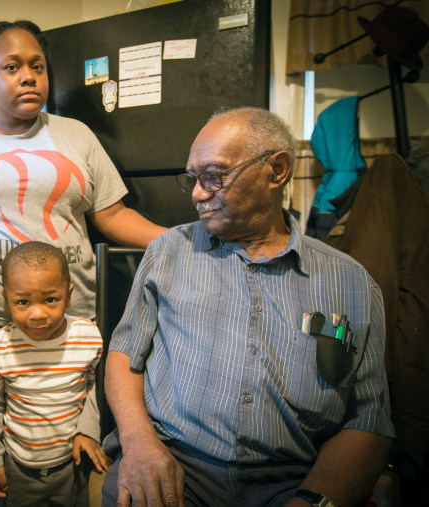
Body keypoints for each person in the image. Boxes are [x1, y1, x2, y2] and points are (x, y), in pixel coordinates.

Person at [102, 107, 395, 507]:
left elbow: (369, 419)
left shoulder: (352, 283)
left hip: (294, 477)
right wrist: (137, 444)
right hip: (174, 460)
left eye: (214, 176)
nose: (197, 193)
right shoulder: (168, 252)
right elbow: (124, 355)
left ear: (277, 170)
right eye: (192, 178)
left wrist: (315, 499)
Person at [0, 19, 166, 359]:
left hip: (73, 321)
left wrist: (176, 240)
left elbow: (111, 215)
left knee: (79, 412)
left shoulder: (77, 134)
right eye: (11, 67)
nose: (29, 76)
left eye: (37, 66)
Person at [0, 241, 111, 506]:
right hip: (19, 467)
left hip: (72, 463)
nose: (38, 314)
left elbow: (96, 387)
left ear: (69, 296)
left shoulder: (87, 337)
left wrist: (88, 431)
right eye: (23, 302)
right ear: (6, 300)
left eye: (51, 300)